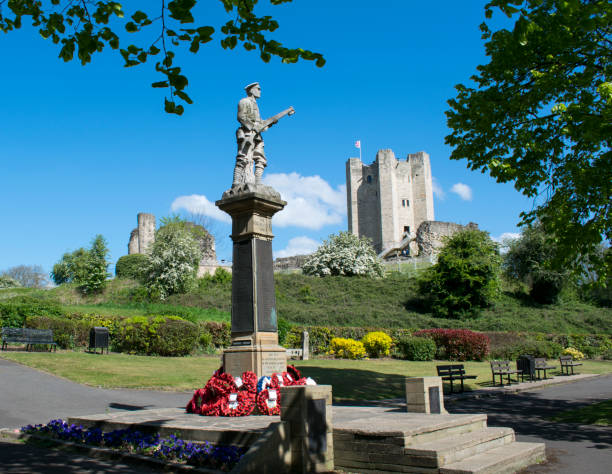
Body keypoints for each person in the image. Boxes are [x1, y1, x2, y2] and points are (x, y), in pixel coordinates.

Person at [233, 82, 269, 186]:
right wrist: (253, 127)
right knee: (242, 158)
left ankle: (258, 182)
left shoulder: (255, 105)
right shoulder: (244, 101)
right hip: (247, 133)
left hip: (257, 136)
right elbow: (241, 117)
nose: (260, 91)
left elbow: (257, 121)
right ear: (251, 90)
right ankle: (236, 182)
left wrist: (266, 124)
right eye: (258, 89)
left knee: (261, 159)